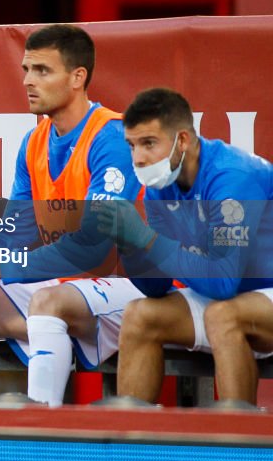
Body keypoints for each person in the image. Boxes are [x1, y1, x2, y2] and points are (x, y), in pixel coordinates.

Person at [0, 24, 144, 406]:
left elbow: (91, 249)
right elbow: (17, 227)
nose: (28, 81)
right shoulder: (35, 141)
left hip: (138, 288)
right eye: (26, 69)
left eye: (42, 71)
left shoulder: (113, 138)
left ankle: (43, 429)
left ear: (78, 77)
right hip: (68, 287)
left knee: (50, 303)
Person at [93, 88, 273, 405]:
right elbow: (157, 286)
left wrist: (147, 238)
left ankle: (238, 445)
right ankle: (129, 447)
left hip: (251, 295)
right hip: (238, 297)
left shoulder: (232, 177)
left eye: (148, 143)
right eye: (131, 145)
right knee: (139, 314)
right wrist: (130, 245)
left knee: (222, 314)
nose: (138, 158)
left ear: (184, 141)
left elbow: (221, 283)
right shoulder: (160, 186)